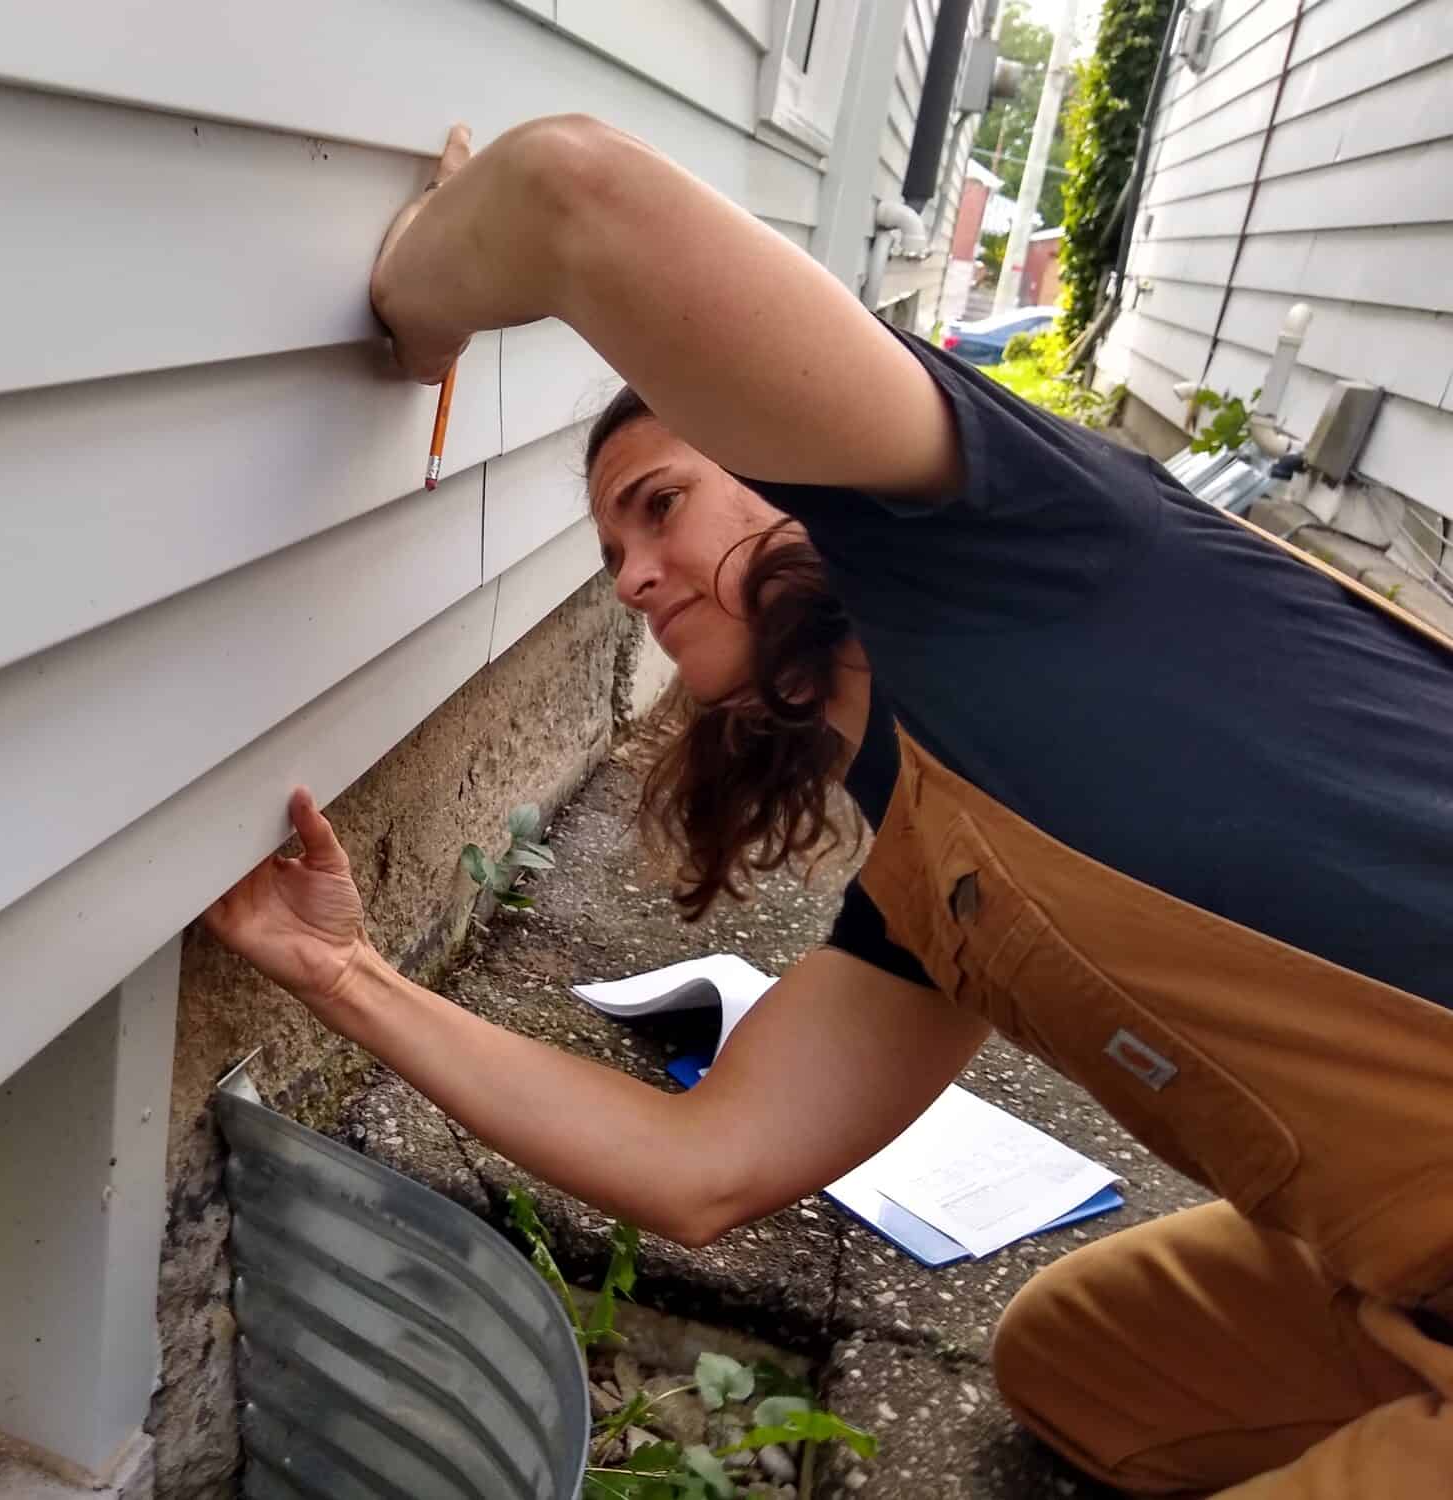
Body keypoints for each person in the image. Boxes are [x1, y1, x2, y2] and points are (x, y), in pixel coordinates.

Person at [205, 118, 1453, 1497]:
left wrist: (420, 311)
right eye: (615, 547)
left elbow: (570, 192)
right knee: (1080, 1362)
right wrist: (342, 970)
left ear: (789, 463)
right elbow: (709, 1164)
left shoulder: (1042, 543)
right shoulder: (931, 867)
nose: (632, 575)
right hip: (1400, 1267)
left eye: (662, 504)